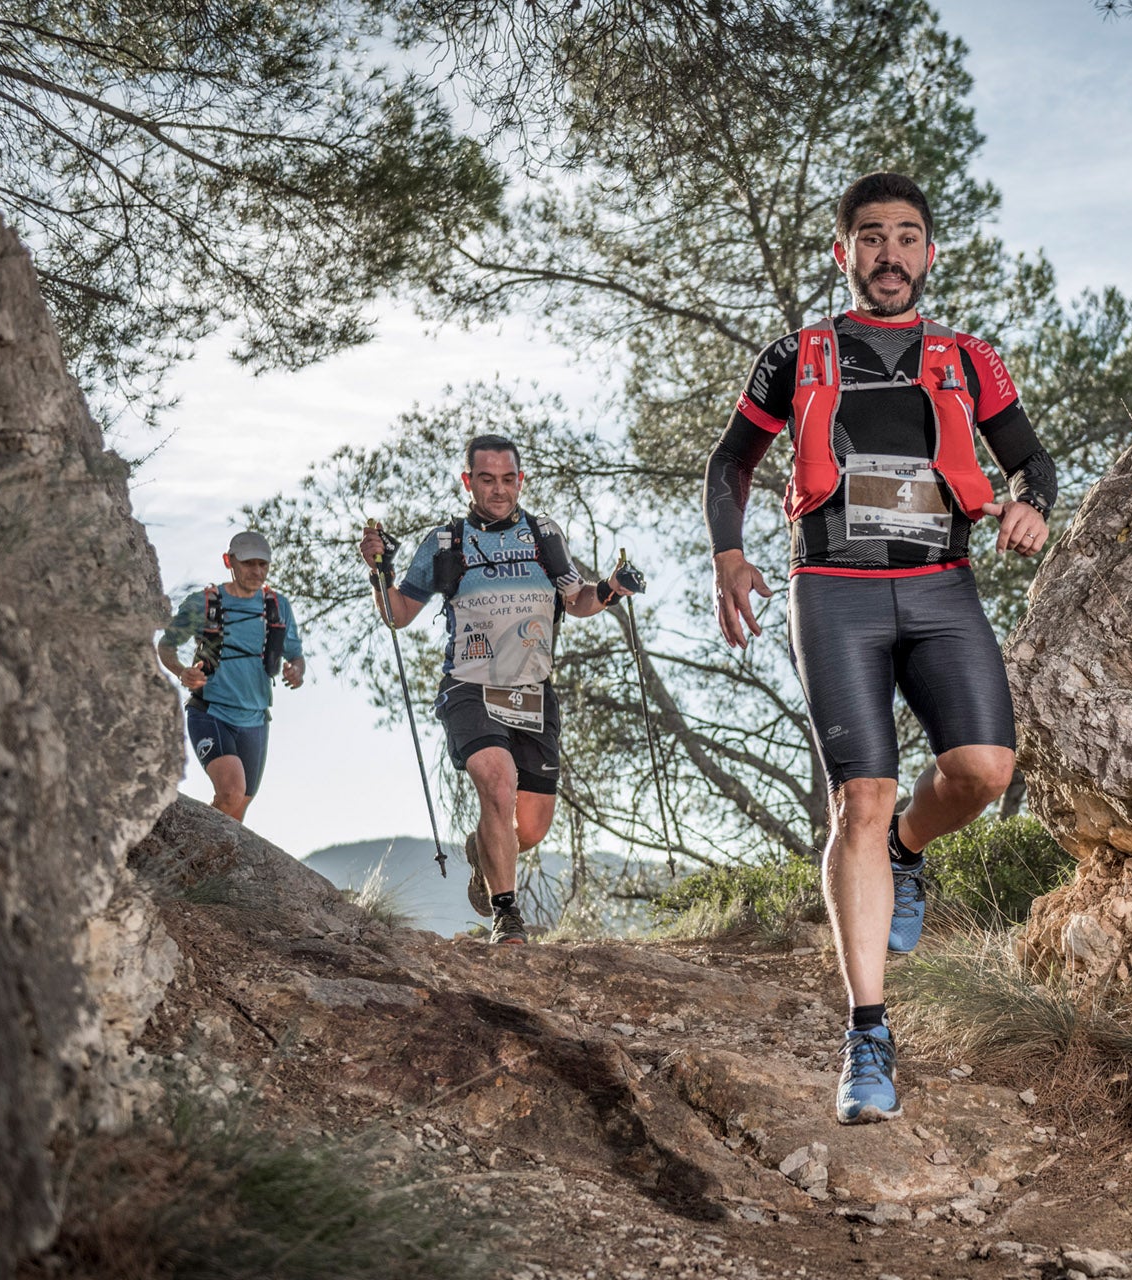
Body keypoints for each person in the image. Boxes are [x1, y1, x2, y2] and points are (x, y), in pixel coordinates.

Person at [703, 173, 1057, 1123]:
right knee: (858, 795)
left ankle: (909, 848)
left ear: (930, 254)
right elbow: (732, 459)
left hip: (942, 587)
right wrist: (729, 555)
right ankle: (868, 1037)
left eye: (907, 237)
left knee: (983, 767)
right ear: (845, 253)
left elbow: (1031, 458)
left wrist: (1031, 504)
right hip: (834, 593)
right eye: (871, 237)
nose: (890, 254)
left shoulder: (967, 358)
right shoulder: (798, 355)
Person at [358, 434, 643, 946]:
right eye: (486, 480)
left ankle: (482, 851)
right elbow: (398, 614)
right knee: (497, 779)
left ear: (520, 480)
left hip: (533, 692)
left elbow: (575, 598)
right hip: (469, 687)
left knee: (529, 828)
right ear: (468, 482)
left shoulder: (544, 534)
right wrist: (378, 572)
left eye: (508, 479)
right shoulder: (445, 543)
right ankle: (506, 914)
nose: (499, 490)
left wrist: (610, 590)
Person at [158, 530, 306, 823]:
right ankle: (183, 848)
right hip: (211, 712)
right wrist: (181, 671)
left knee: (236, 812)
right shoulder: (202, 603)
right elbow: (166, 647)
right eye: (249, 563)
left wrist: (296, 672)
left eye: (263, 565)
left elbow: (296, 656)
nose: (257, 571)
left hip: (256, 718)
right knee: (231, 793)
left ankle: (202, 866)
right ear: (229, 561)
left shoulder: (277, 606)